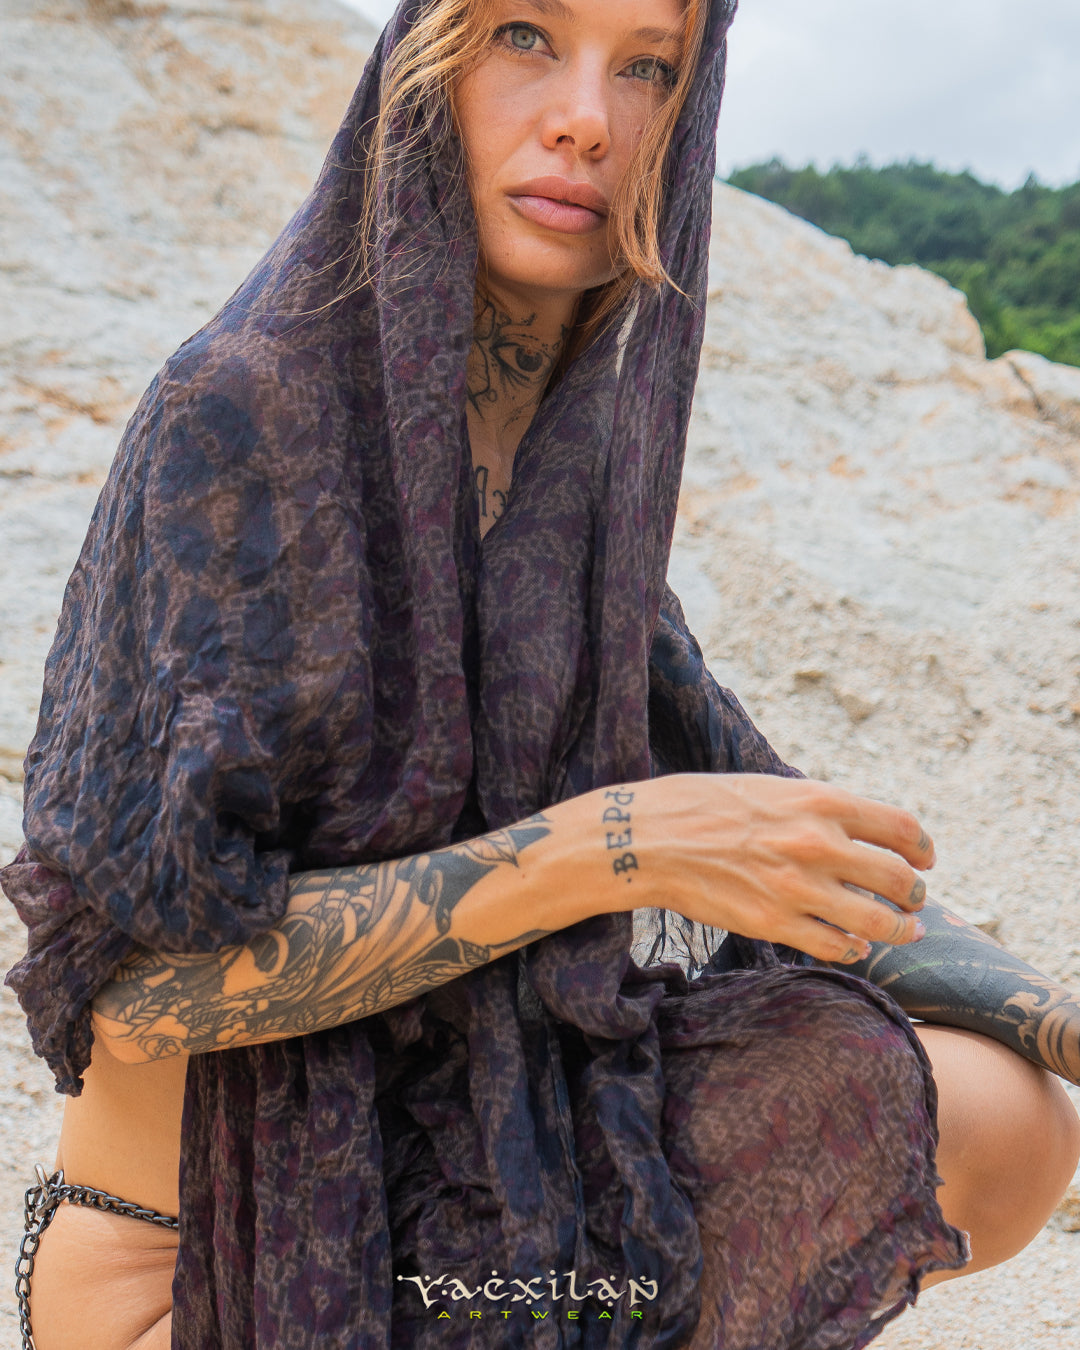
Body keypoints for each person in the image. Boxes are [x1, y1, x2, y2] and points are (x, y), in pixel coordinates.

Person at [5, 1, 1080, 1347]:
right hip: (204, 1276)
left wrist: (1058, 1018)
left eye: (649, 68)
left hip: (463, 1221)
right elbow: (136, 992)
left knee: (1004, 1114)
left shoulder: (566, 480)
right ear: (428, 68)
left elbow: (800, 859)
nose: (587, 118)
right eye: (526, 34)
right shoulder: (240, 417)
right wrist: (604, 849)